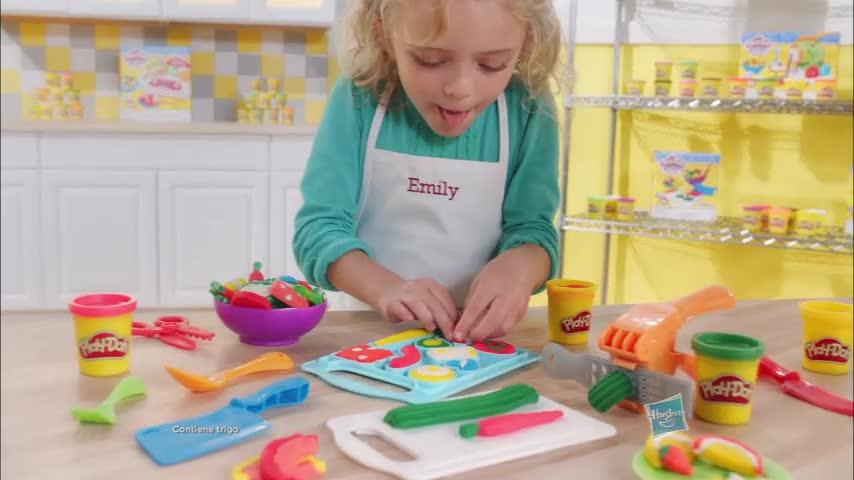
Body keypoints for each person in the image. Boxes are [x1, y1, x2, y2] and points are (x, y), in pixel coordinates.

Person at [293, 0, 563, 343]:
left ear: (527, 43)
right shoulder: (360, 97)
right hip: (371, 338)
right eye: (430, 60)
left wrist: (519, 270)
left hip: (481, 344)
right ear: (384, 34)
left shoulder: (528, 106)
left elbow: (534, 231)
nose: (459, 89)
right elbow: (318, 231)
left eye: (492, 64)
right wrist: (386, 289)